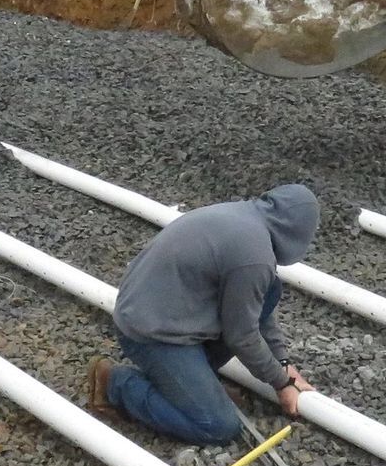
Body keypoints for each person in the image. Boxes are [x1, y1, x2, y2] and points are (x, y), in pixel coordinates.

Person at [86, 184, 319, 446]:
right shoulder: (253, 256)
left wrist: (284, 363)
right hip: (151, 332)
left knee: (270, 288)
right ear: (297, 233)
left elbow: (260, 312)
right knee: (218, 426)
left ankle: (190, 386)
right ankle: (116, 385)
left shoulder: (244, 218)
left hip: (162, 311)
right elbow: (242, 336)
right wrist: (281, 383)